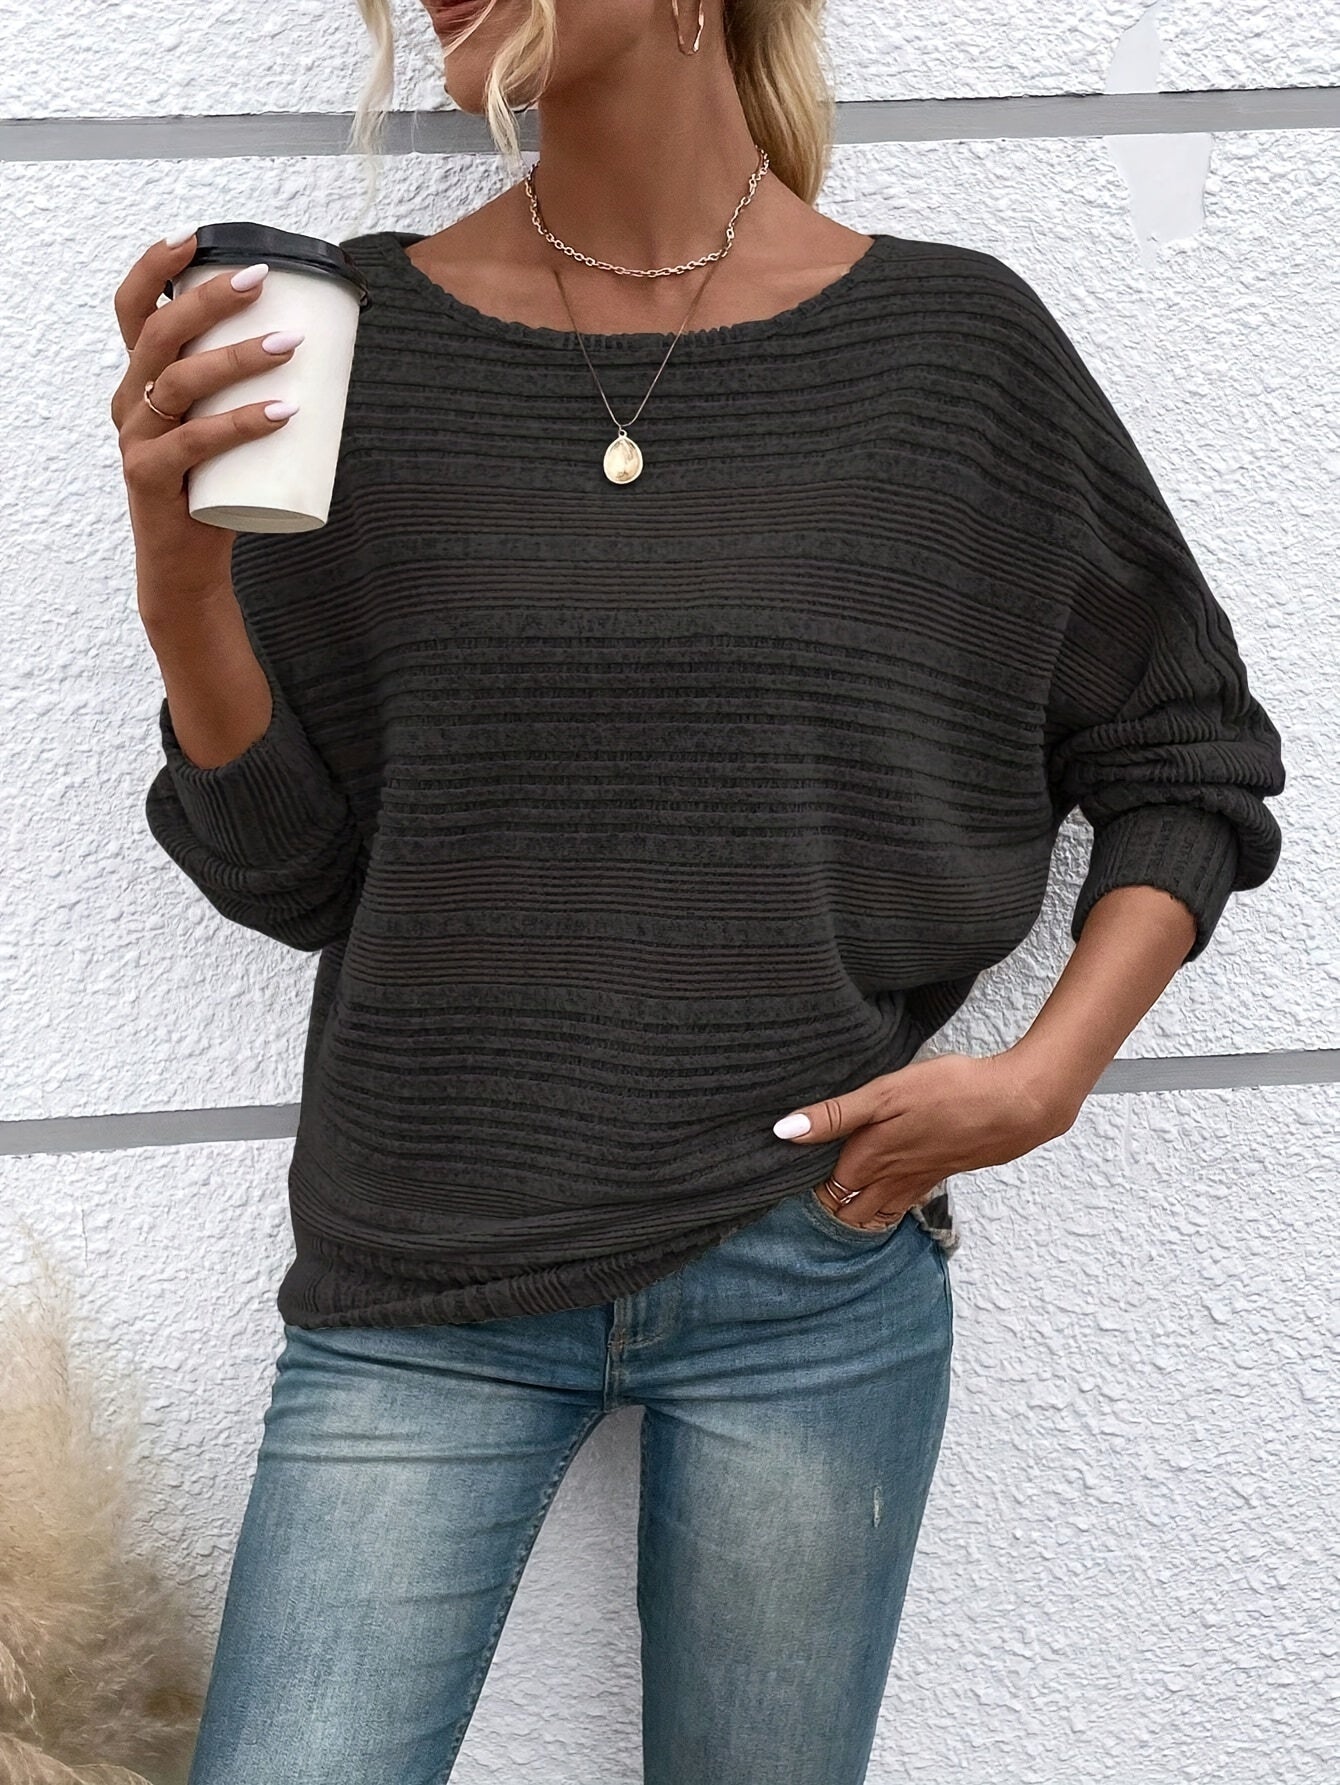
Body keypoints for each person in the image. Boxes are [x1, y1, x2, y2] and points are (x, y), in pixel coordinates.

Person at [110, 2, 1286, 1780]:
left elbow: (1184, 751)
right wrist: (182, 590)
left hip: (809, 1269)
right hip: (420, 1271)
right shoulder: (354, 342)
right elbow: (298, 875)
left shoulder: (954, 351)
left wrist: (1044, 1077)